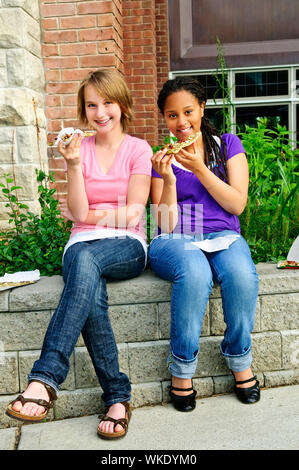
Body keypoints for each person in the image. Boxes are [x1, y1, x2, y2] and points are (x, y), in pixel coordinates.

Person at [6, 69, 152, 439]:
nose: (100, 112)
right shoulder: (78, 150)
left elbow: (134, 212)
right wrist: (72, 166)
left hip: (128, 246)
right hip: (80, 246)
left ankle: (44, 379)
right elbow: (73, 209)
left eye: (107, 102)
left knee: (87, 262)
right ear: (83, 110)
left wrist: (90, 216)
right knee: (90, 287)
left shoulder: (138, 150)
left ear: (123, 104)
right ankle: (118, 399)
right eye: (91, 105)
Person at [149, 76, 260, 412]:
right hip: (176, 240)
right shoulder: (162, 158)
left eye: (187, 112)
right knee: (195, 273)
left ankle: (240, 361)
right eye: (172, 115)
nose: (181, 122)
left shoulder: (227, 144)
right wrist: (169, 179)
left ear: (201, 108)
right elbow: (164, 224)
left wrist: (199, 169)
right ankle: (182, 371)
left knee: (241, 274)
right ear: (164, 118)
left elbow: (236, 204)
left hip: (224, 235)